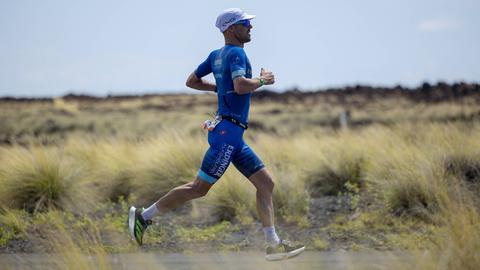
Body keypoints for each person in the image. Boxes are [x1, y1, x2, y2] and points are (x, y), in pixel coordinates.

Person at [128, 8, 305, 261]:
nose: (251, 28)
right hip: (227, 134)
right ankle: (143, 218)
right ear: (232, 28)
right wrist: (263, 80)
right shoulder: (237, 53)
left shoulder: (216, 55)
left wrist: (220, 89)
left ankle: (273, 244)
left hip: (232, 134)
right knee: (199, 188)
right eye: (246, 24)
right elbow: (241, 86)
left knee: (266, 184)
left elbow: (192, 81)